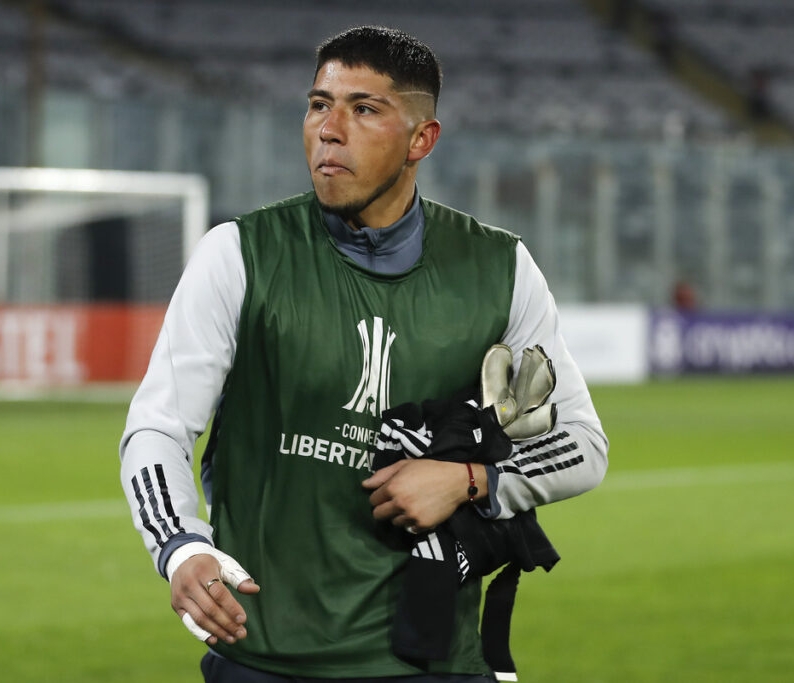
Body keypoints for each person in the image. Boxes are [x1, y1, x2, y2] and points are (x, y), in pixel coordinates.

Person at [119, 26, 608, 682]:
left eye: (364, 108)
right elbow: (158, 425)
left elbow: (582, 444)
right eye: (319, 103)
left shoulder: (500, 269)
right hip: (269, 659)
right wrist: (179, 546)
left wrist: (471, 479)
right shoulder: (240, 255)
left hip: (436, 661)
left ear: (421, 140)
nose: (329, 127)